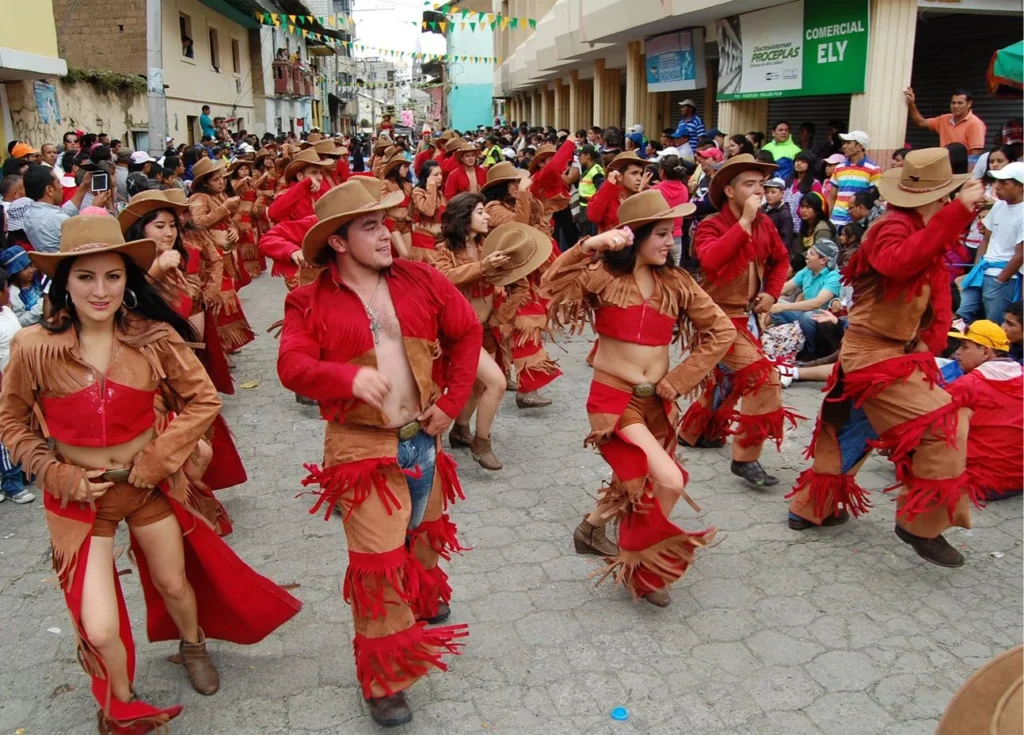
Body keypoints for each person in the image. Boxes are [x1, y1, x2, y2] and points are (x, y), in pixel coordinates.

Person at [0, 215, 300, 732]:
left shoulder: (154, 337)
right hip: (79, 501)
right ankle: (120, 705)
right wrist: (53, 473)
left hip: (148, 489)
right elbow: (11, 422)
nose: (101, 290)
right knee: (98, 628)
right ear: (64, 283)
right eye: (85, 277)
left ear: (128, 280)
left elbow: (202, 399)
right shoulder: (33, 347)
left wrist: (160, 458)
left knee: (175, 584)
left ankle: (193, 645)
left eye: (113, 276)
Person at [277, 181, 479, 727]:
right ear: (338, 242)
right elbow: (291, 366)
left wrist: (452, 403)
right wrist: (343, 377)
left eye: (385, 223)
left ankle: (424, 596)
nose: (386, 234)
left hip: (424, 434)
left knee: (424, 533)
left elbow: (466, 332)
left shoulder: (421, 278)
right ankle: (386, 680)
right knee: (379, 566)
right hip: (360, 448)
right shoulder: (307, 300)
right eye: (370, 227)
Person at [786, 148, 986, 568]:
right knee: (945, 423)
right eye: (948, 197)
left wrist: (928, 345)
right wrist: (957, 216)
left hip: (889, 354)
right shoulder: (891, 228)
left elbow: (936, 300)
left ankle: (812, 507)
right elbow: (899, 263)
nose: (952, 202)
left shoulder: (924, 229)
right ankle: (920, 524)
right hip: (873, 356)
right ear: (938, 196)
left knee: (853, 429)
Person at [542, 191, 734, 607]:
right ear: (637, 236)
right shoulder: (603, 275)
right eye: (661, 234)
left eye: (672, 233)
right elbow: (550, 283)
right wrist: (590, 244)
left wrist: (680, 379)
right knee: (669, 480)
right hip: (615, 399)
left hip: (659, 402)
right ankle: (643, 569)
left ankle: (590, 528)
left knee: (637, 477)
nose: (670, 241)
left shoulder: (677, 282)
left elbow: (723, 331)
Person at [679, 154, 797, 488]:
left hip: (746, 316)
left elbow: (781, 259)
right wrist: (743, 223)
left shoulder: (766, 224)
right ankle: (745, 457)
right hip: (716, 317)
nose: (759, 190)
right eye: (750, 184)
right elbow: (711, 259)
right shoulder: (711, 224)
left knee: (727, 378)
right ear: (730, 191)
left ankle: (694, 432)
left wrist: (772, 293)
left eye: (761, 184)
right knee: (763, 378)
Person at [430, 193, 510, 469]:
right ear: (464, 217)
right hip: (462, 333)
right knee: (497, 383)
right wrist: (483, 267)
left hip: (487, 329)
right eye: (480, 211)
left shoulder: (487, 246)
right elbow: (443, 279)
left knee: (478, 385)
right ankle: (481, 442)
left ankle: (461, 430)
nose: (487, 216)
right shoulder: (444, 251)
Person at [481, 162, 563, 408]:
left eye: (519, 183)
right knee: (527, 328)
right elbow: (520, 228)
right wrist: (525, 196)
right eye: (513, 183)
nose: (518, 186)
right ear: (501, 187)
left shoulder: (507, 205)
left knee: (509, 332)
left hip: (520, 278)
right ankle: (527, 389)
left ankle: (505, 376)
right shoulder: (494, 208)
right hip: (508, 282)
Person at [946, 320, 1023, 501]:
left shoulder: (970, 383)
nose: (957, 353)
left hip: (978, 482)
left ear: (986, 352)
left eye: (965, 347)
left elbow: (928, 416)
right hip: (1018, 481)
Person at [188, 158, 256, 352]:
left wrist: (232, 229)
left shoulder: (217, 196)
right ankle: (220, 346)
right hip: (211, 257)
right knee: (219, 298)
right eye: (216, 179)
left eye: (222, 178)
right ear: (204, 183)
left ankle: (226, 344)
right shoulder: (199, 198)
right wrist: (225, 208)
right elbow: (198, 223)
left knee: (228, 296)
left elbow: (227, 220)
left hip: (225, 254)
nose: (221, 182)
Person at [958, 162, 1023, 324]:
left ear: (1020, 187)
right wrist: (976, 268)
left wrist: (1001, 279)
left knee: (993, 325)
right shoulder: (999, 206)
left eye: (1004, 183)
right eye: (997, 181)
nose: (997, 186)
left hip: (1003, 277)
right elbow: (986, 238)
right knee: (960, 315)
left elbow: (1020, 255)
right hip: (982, 271)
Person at [769, 239, 841, 358]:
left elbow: (817, 303)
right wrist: (768, 296)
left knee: (807, 316)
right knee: (774, 305)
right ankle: (791, 341)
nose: (807, 256)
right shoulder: (807, 270)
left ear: (823, 260)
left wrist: (783, 307)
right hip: (804, 313)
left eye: (811, 253)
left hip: (823, 319)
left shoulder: (834, 277)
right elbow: (785, 287)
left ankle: (810, 351)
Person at [0, 278, 34, 504]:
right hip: (3, 385)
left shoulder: (8, 312)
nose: (8, 291)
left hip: (19, 382)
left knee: (23, 427)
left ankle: (23, 471)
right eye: (5, 287)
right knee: (5, 437)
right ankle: (12, 484)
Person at [22, 165, 102, 253]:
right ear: (49, 190)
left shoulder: (28, 214)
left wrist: (84, 186)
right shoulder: (56, 218)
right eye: (58, 183)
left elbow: (65, 212)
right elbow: (88, 241)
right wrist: (95, 209)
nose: (62, 187)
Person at [905, 87, 987, 159]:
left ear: (969, 104)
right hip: (944, 165)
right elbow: (921, 122)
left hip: (961, 168)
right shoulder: (944, 119)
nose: (955, 106)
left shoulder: (975, 124)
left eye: (960, 103)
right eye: (953, 103)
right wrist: (911, 104)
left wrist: (968, 172)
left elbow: (975, 154)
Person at [827, 131, 881, 230]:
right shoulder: (839, 168)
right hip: (835, 220)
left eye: (848, 143)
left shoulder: (873, 169)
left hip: (856, 224)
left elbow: (872, 198)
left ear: (859, 147)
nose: (844, 146)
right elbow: (831, 196)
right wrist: (829, 218)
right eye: (844, 143)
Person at [586, 151, 650, 232]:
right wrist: (608, 185)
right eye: (634, 173)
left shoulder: (643, 195)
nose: (639, 178)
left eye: (640, 174)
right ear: (619, 176)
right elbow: (593, 216)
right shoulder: (607, 196)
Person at [652, 153, 690, 263]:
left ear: (661, 171)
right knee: (674, 269)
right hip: (677, 236)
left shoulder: (655, 191)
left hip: (659, 235)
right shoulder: (684, 189)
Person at [410, 160, 446, 262]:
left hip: (438, 241)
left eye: (441, 174)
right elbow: (428, 211)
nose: (440, 177)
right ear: (426, 177)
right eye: (436, 175)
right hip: (423, 242)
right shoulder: (418, 192)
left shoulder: (440, 193)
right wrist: (431, 186)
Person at [0, 245, 46, 326]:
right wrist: (42, 304)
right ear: (15, 273)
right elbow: (21, 322)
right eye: (25, 269)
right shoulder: (14, 294)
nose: (31, 270)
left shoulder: (37, 278)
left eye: (31, 265)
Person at [380, 154, 414, 257]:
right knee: (404, 253)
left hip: (405, 223)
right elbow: (382, 202)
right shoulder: (386, 183)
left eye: (407, 167)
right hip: (392, 222)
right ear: (396, 168)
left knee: (408, 256)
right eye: (404, 167)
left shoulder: (408, 185)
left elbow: (411, 204)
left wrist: (410, 215)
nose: (407, 170)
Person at [783, 151, 822, 234]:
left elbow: (814, 207)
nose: (799, 163)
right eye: (797, 160)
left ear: (810, 165)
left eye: (803, 162)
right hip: (784, 224)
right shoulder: (788, 180)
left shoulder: (815, 184)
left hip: (802, 226)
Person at [762, 177, 794, 249]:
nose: (769, 195)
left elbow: (786, 240)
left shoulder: (785, 214)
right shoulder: (762, 209)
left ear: (782, 193)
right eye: (767, 192)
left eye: (773, 192)